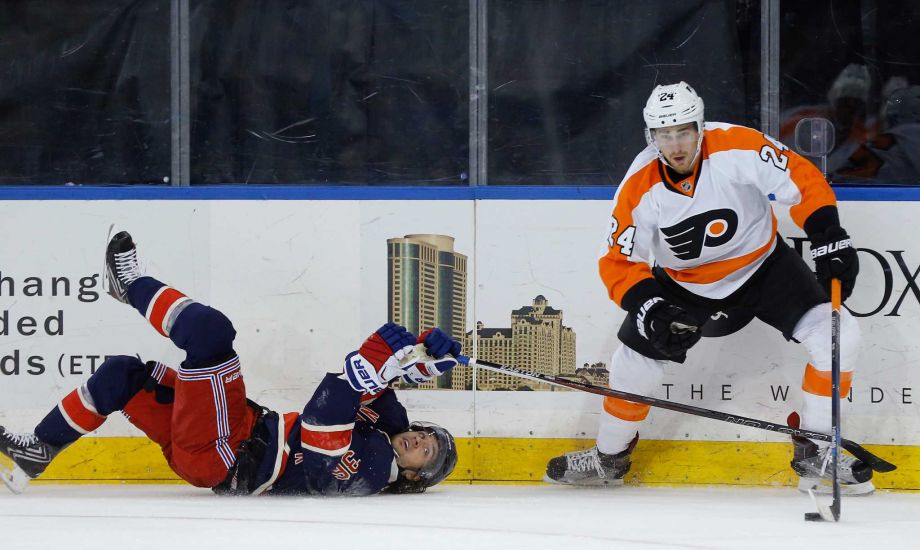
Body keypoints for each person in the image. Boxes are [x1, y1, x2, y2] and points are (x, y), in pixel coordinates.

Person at [545, 82, 871, 495]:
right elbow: (618, 261)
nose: (676, 144)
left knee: (839, 336)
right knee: (631, 361)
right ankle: (609, 457)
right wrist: (648, 305)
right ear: (651, 137)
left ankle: (816, 448)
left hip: (765, 265)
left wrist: (829, 234)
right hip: (686, 284)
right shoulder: (638, 186)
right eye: (665, 134)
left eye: (684, 131)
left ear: (701, 126)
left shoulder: (739, 145)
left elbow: (800, 178)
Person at [0, 230, 459, 496]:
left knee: (210, 335)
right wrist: (425, 355)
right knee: (124, 374)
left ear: (416, 475)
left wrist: (371, 362)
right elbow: (377, 383)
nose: (421, 439)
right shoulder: (391, 427)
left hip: (226, 453)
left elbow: (323, 429)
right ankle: (38, 449)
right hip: (231, 430)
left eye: (427, 451)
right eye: (428, 434)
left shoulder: (376, 470)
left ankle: (132, 285)